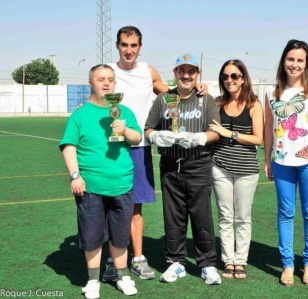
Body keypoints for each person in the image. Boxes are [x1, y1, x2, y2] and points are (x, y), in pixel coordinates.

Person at [103, 26, 208, 281]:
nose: (129, 50)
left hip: (139, 146)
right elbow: (97, 101)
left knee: (135, 206)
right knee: (109, 205)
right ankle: (111, 260)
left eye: (134, 45)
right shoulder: (107, 71)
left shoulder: (148, 72)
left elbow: (171, 95)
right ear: (117, 45)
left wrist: (197, 88)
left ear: (140, 47)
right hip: (111, 147)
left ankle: (138, 258)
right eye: (125, 45)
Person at [59, 64, 141, 298]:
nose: (106, 83)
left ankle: (122, 275)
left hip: (122, 185)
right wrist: (75, 175)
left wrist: (125, 130)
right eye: (101, 79)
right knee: (92, 236)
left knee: (120, 236)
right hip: (90, 187)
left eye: (110, 79)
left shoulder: (124, 111)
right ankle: (93, 281)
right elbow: (69, 146)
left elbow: (137, 138)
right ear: (91, 84)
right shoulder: (80, 114)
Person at [144, 53, 222, 285]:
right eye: (181, 71)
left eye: (191, 71)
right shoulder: (163, 99)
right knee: (173, 215)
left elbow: (216, 132)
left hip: (198, 163)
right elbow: (148, 128)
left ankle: (207, 263)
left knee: (202, 217)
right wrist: (157, 135)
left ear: (197, 74)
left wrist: (199, 138)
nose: (186, 75)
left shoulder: (206, 99)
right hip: (170, 165)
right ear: (175, 73)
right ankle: (176, 262)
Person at [263, 39, 308, 287]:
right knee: (286, 213)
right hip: (281, 161)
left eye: (300, 60)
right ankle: (288, 264)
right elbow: (268, 128)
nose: (295, 64)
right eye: (291, 59)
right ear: (283, 61)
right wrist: (267, 158)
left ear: (306, 63)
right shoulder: (271, 92)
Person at [209, 60, 263, 279]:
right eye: (225, 76)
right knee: (225, 216)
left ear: (243, 78)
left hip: (246, 169)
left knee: (242, 217)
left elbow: (258, 138)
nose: (229, 80)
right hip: (220, 167)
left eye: (234, 76)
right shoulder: (217, 103)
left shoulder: (254, 104)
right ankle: (228, 261)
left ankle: (240, 261)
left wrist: (228, 133)